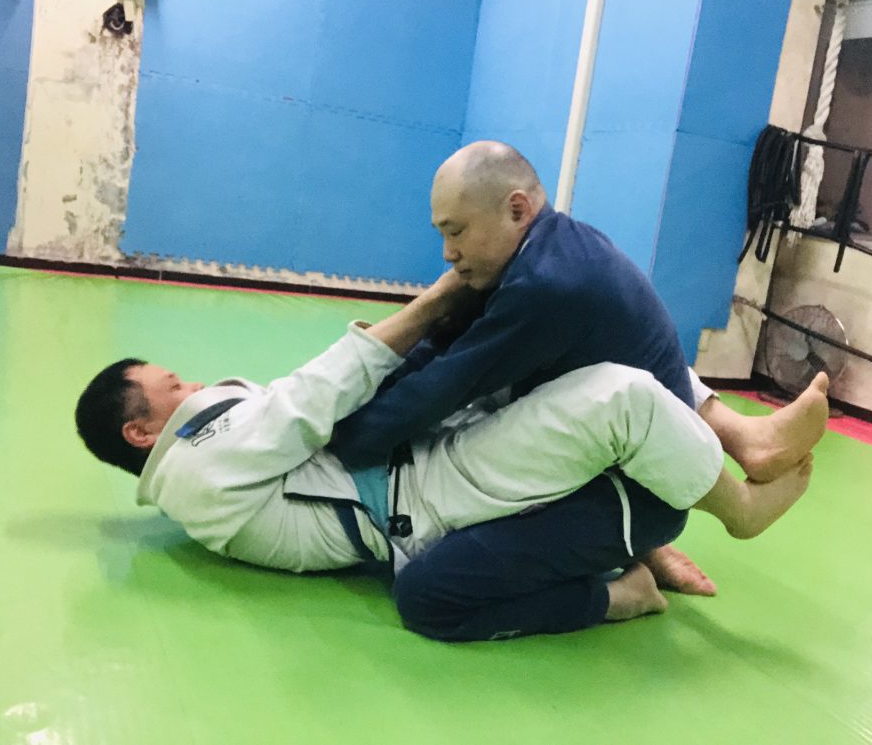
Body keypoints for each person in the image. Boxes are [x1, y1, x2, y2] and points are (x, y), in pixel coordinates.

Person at [75, 272, 814, 640]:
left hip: (415, 449)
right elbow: (308, 400)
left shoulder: (205, 454)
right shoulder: (197, 468)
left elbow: (305, 416)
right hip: (423, 496)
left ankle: (738, 434)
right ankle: (738, 508)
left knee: (553, 334)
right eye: (173, 385)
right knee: (618, 397)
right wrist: (435, 301)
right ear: (141, 432)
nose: (192, 384)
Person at [328, 141, 829, 639]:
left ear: (517, 210)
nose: (447, 252)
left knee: (428, 592)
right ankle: (702, 483)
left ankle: (630, 587)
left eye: (456, 232)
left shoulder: (544, 286)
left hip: (638, 489)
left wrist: (341, 438)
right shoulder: (542, 252)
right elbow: (438, 354)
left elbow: (435, 391)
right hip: (625, 453)